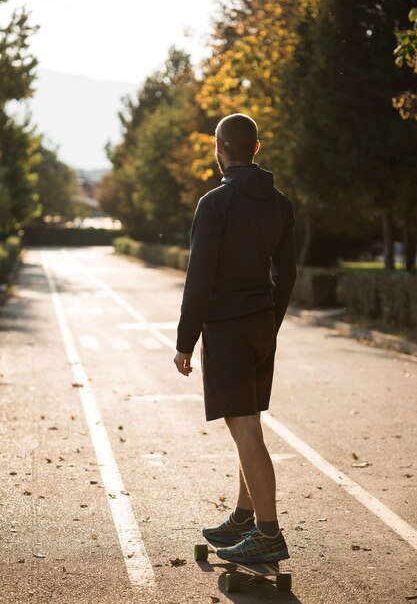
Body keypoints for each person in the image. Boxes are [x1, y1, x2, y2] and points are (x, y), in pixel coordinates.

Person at [174, 113, 297, 563]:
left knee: (243, 427)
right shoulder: (280, 203)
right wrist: (271, 321)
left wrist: (185, 342)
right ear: (256, 149)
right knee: (251, 423)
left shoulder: (214, 204)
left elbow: (199, 279)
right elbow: (287, 273)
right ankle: (246, 516)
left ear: (218, 147)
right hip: (261, 324)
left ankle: (269, 534)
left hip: (226, 329)